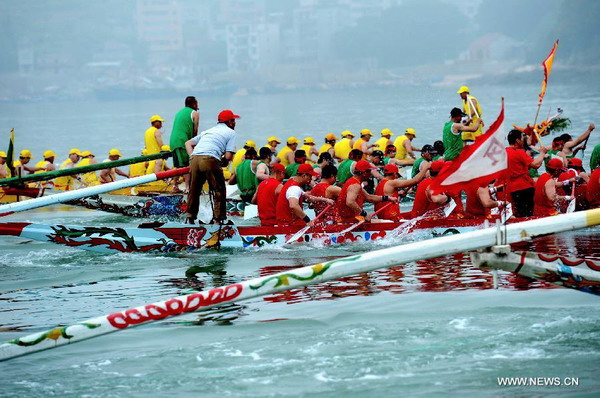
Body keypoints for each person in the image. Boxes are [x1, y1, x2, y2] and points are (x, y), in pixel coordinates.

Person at [185, 109, 238, 224]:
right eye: (233, 120)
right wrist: (221, 162)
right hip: (209, 159)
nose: (234, 123)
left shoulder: (208, 131)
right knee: (219, 190)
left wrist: (192, 157)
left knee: (194, 190)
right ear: (228, 122)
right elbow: (228, 156)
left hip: (195, 158)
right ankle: (218, 221)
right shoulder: (231, 132)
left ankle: (190, 217)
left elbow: (188, 143)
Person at [505, 129, 547, 217]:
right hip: (524, 187)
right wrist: (542, 153)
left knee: (520, 213)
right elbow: (536, 165)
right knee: (528, 214)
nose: (523, 140)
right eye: (522, 138)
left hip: (511, 188)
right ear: (517, 140)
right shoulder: (519, 152)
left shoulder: (505, 152)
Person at [170, 96, 200, 191]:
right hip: (183, 141)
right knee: (187, 165)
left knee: (178, 165)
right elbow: (195, 130)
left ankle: (175, 186)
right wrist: (194, 144)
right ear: (194, 104)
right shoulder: (194, 113)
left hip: (173, 141)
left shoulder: (179, 113)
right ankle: (188, 188)